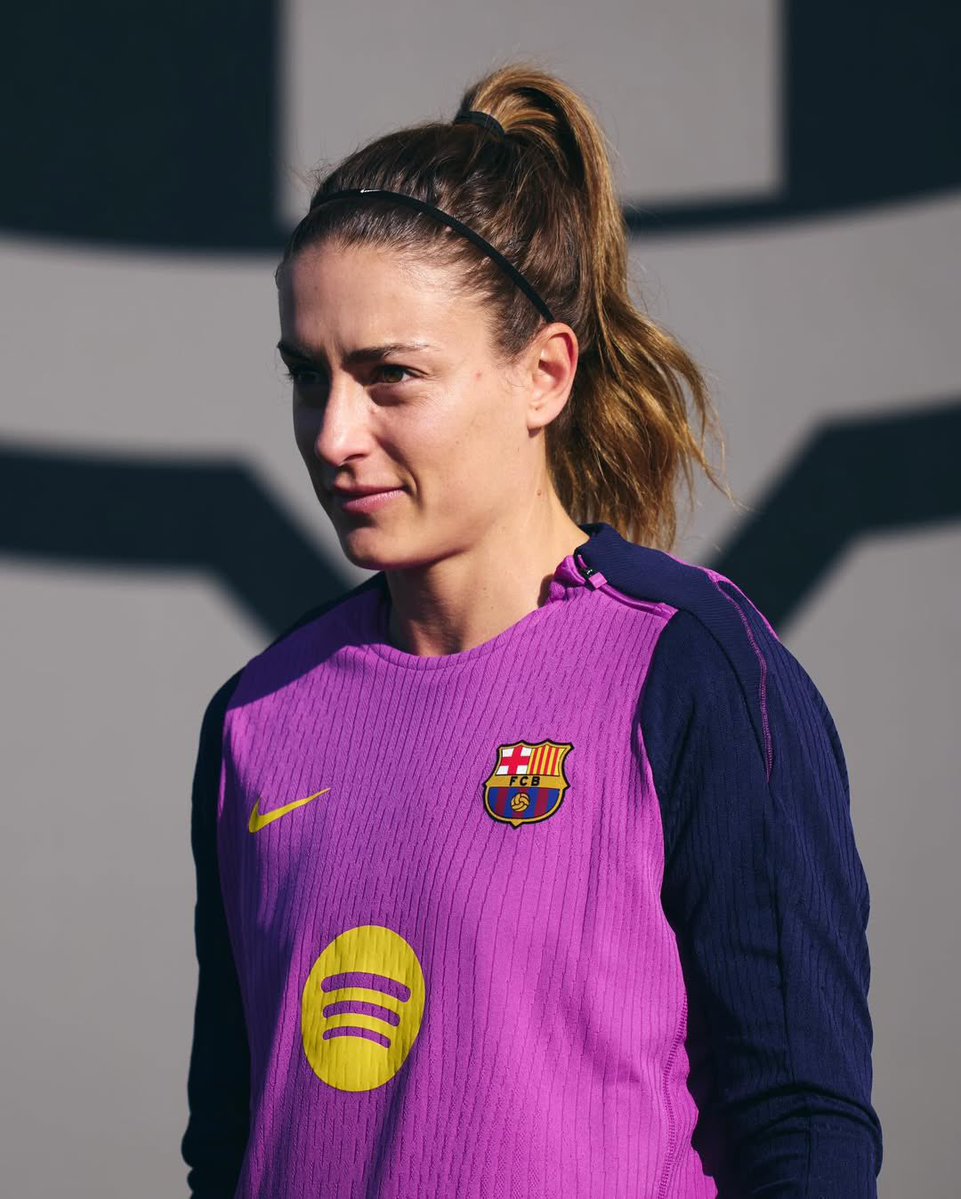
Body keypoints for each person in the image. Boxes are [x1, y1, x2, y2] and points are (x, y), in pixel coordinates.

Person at [181, 61, 882, 1198]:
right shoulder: (259, 712)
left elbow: (801, 1126)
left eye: (390, 376)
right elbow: (228, 1140)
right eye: (309, 377)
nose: (333, 434)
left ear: (544, 374)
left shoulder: (689, 664)